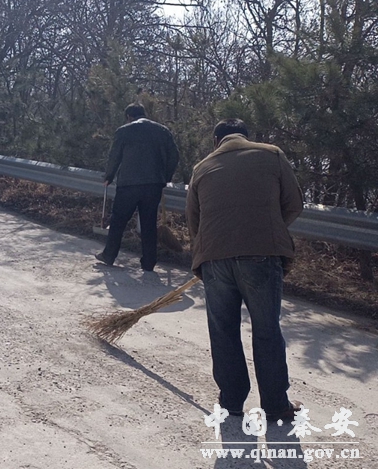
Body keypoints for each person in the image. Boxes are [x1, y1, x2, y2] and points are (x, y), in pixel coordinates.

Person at [186, 118, 304, 422]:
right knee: (266, 330)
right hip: (261, 255)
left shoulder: (201, 168)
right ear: (246, 136)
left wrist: (206, 254)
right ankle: (276, 405)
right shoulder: (272, 154)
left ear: (216, 142)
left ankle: (231, 402)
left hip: (215, 258)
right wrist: (268, 228)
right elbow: (294, 203)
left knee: (223, 331)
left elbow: (194, 223)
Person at [95, 103, 179, 271]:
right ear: (144, 114)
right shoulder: (163, 131)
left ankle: (109, 255)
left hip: (129, 184)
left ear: (129, 117)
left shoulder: (124, 131)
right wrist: (164, 177)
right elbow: (174, 156)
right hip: (153, 185)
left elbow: (115, 156)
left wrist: (109, 176)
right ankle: (149, 263)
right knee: (149, 223)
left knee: (119, 220)